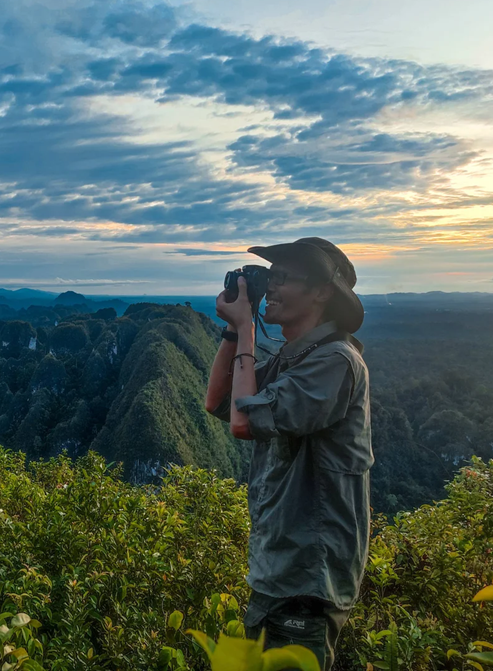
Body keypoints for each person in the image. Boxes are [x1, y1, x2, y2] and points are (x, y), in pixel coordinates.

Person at [204, 237, 373, 670]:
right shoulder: (293, 358)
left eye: (282, 277)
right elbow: (219, 401)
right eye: (269, 277)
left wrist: (247, 328)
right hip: (278, 571)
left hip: (306, 581)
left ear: (322, 292)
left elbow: (243, 423)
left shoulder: (335, 361)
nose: (271, 287)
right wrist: (232, 331)